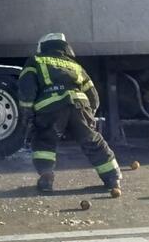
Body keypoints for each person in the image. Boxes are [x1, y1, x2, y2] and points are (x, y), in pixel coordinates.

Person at [18, 32, 121, 192]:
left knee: (45, 140)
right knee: (92, 140)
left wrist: (27, 112)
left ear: (43, 47)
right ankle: (113, 178)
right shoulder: (75, 66)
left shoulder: (35, 61)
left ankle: (46, 178)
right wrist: (89, 114)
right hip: (80, 105)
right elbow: (92, 94)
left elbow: (27, 88)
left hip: (50, 107)